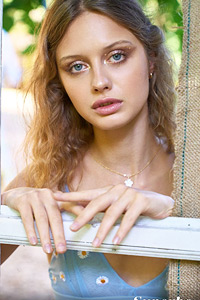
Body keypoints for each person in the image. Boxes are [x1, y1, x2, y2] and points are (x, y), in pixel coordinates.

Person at [1, 0, 176, 299]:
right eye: (77, 67)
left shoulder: (192, 175)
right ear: (61, 83)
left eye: (117, 56)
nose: (99, 82)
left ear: (151, 60)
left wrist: (175, 213)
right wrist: (8, 202)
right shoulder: (48, 177)